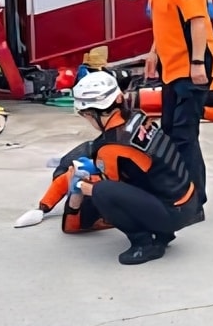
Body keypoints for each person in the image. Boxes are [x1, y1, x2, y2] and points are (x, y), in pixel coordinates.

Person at [19, 72, 202, 264]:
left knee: (102, 192)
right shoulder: (138, 117)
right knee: (134, 181)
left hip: (172, 213)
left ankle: (144, 244)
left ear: (89, 113)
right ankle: (163, 234)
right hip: (188, 201)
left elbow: (112, 188)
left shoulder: (110, 146)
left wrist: (81, 186)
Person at [131, 0, 211, 207]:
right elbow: (165, 21)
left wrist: (197, 63)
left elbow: (198, 22)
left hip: (191, 68)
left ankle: (194, 198)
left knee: (184, 134)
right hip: (172, 68)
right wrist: (153, 53)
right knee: (169, 130)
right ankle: (180, 189)